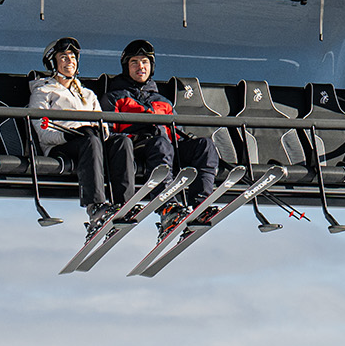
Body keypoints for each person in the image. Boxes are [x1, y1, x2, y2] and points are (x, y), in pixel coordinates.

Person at [105, 39, 220, 225]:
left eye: (145, 62)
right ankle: (167, 206)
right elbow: (109, 133)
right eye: (134, 62)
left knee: (204, 145)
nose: (140, 67)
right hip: (137, 147)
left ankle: (201, 205)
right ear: (126, 67)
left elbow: (177, 134)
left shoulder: (163, 101)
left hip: (166, 146)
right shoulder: (114, 97)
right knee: (161, 144)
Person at [29, 37, 129, 236]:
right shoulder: (43, 92)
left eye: (73, 57)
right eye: (64, 57)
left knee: (122, 142)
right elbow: (42, 132)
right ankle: (95, 206)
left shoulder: (87, 94)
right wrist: (69, 136)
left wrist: (101, 132)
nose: (70, 61)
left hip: (91, 142)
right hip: (62, 146)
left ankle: (124, 203)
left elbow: (102, 124)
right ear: (53, 63)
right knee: (90, 140)